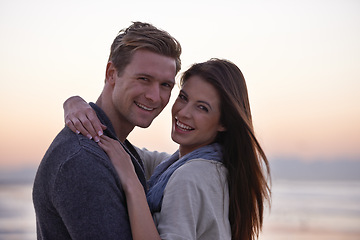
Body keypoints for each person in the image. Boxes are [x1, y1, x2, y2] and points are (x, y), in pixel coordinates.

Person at [65, 59, 271, 240]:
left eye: (202, 107)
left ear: (224, 122)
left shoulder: (189, 177)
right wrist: (75, 104)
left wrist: (133, 185)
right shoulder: (201, 166)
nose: (183, 112)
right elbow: (122, 150)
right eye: (183, 97)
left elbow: (127, 161)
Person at [32, 21, 182, 239]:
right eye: (143, 79)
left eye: (165, 85)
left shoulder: (117, 148)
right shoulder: (83, 160)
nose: (154, 96)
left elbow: (182, 162)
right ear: (111, 73)